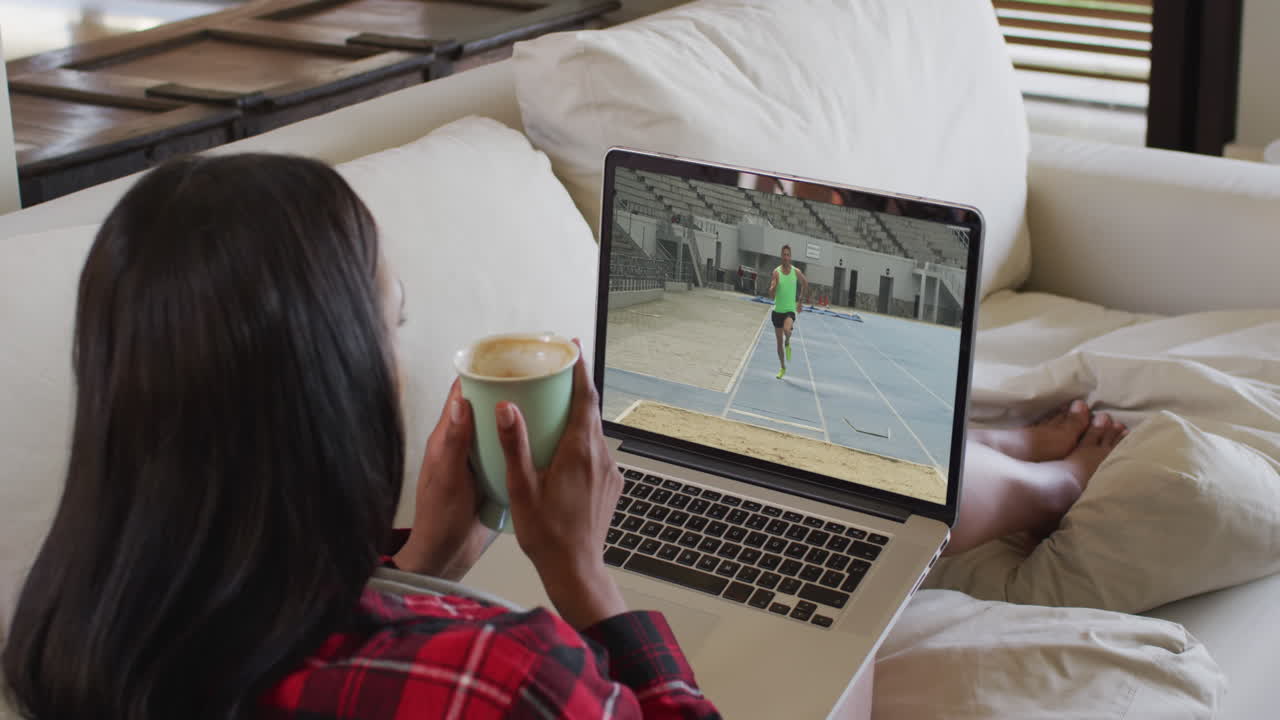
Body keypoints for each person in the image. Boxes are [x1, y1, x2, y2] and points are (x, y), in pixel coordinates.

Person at [1, 155, 722, 720]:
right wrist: (585, 577)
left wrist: (419, 565)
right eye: (392, 324)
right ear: (338, 380)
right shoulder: (509, 679)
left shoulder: (63, 646)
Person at [768, 244, 808, 379]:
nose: (785, 257)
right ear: (781, 256)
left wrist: (800, 301)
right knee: (778, 343)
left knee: (787, 330)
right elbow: (772, 295)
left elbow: (805, 283)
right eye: (783, 254)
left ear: (790, 257)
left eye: (788, 254)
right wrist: (773, 288)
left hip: (790, 310)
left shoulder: (795, 272)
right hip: (777, 311)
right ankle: (782, 367)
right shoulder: (776, 272)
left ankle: (788, 341)